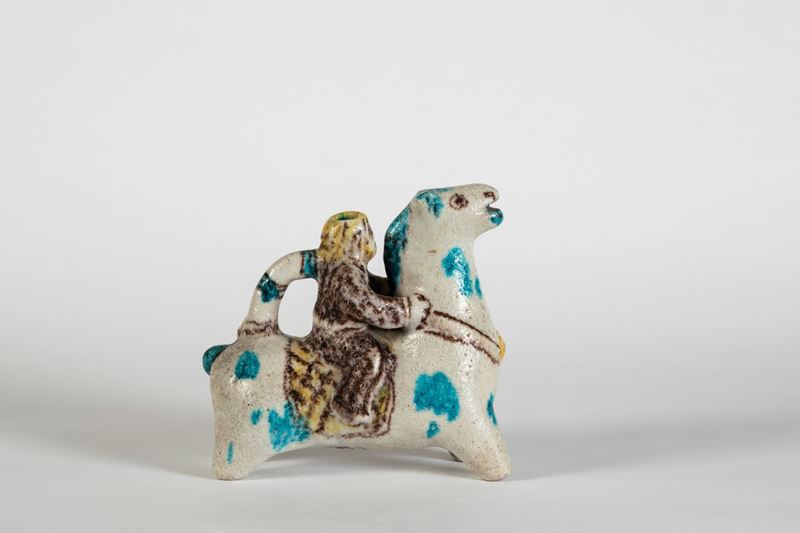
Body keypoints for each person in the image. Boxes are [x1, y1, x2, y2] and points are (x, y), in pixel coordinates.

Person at [300, 211, 429, 429]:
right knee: (369, 357)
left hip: (330, 330)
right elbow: (368, 307)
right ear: (359, 241)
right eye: (366, 236)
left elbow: (368, 284)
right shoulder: (346, 273)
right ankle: (349, 404)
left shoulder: (340, 265)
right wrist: (406, 311)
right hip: (339, 336)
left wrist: (391, 288)